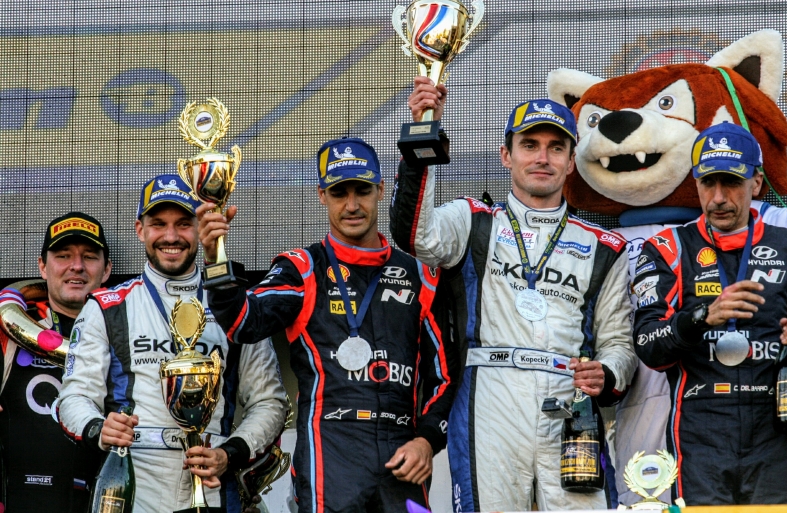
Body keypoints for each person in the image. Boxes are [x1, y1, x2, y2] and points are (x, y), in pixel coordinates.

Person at [391, 78, 637, 511]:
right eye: (529, 145)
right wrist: (423, 132)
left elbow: (619, 344)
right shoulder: (473, 220)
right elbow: (417, 236)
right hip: (490, 401)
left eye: (556, 148)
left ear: (571, 162)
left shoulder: (604, 247)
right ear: (506, 155)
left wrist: (607, 372)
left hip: (570, 404)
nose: (542, 157)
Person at [202, 138, 456, 513]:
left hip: (403, 454)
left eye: (362, 191)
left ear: (380, 189)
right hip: (330, 452)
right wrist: (215, 260)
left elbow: (445, 378)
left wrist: (427, 441)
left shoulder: (421, 276)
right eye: (339, 193)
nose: (352, 205)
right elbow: (243, 323)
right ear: (322, 196)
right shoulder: (302, 269)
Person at [632, 123, 787, 505]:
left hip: (778, 430)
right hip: (700, 430)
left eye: (730, 182)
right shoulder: (667, 249)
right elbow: (648, 346)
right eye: (707, 183)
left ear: (756, 183)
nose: (718, 198)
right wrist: (702, 317)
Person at [58, 174, 290, 513]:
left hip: (213, 483)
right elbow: (73, 397)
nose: (171, 236)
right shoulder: (107, 307)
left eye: (183, 223)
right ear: (140, 230)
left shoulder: (236, 305)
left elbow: (270, 401)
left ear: (200, 228)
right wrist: (99, 428)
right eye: (158, 224)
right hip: (134, 483)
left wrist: (230, 453)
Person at [0, 212, 111, 512]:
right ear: (42, 267)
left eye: (90, 256)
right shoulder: (8, 332)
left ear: (106, 270)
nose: (77, 266)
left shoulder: (130, 333)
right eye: (63, 256)